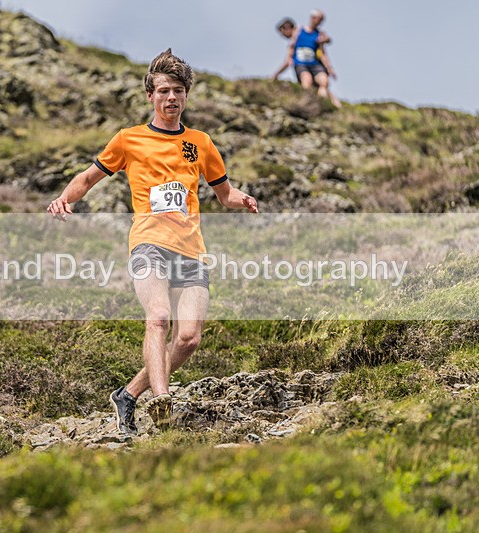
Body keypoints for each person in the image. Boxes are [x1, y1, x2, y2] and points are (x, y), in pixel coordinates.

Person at [47, 49, 258, 435]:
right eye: (163, 91)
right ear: (150, 96)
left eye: (178, 90)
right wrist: (64, 198)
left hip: (192, 251)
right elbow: (88, 177)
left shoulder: (200, 142)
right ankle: (162, 401)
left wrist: (242, 199)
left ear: (186, 95)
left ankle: (127, 394)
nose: (171, 97)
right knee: (158, 317)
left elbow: (224, 192)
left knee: (188, 339)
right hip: (148, 244)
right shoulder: (129, 139)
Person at [271, 10, 341, 108]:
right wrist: (276, 74)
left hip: (315, 64)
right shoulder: (298, 32)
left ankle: (324, 105)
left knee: (324, 82)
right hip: (301, 65)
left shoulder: (319, 35)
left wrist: (329, 68)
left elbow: (322, 53)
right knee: (307, 82)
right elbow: (289, 59)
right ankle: (308, 105)